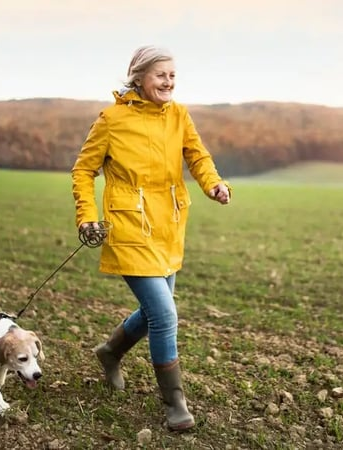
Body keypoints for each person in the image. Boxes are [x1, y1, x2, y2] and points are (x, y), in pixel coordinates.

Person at [70, 45, 231, 431]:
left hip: (168, 225)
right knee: (164, 314)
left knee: (154, 312)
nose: (169, 82)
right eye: (161, 75)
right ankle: (175, 403)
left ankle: (109, 352)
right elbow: (82, 170)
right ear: (139, 77)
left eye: (173, 75)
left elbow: (198, 156)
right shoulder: (111, 119)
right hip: (127, 227)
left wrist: (213, 184)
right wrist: (87, 216)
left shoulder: (179, 115)